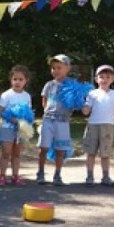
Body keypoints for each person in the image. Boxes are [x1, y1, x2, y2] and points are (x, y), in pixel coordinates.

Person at [81, 65, 114, 187]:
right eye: (101, 77)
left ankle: (105, 177)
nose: (104, 79)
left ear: (113, 79)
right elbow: (86, 111)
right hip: (92, 125)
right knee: (91, 152)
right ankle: (89, 176)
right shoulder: (92, 94)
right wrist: (79, 101)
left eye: (107, 77)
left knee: (105, 153)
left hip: (108, 126)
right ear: (96, 79)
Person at [37, 54, 74, 186]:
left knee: (60, 150)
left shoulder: (71, 86)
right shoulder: (49, 85)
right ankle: (40, 172)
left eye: (59, 67)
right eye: (53, 68)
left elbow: (75, 102)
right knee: (43, 148)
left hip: (63, 121)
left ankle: (57, 174)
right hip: (48, 120)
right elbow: (44, 100)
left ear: (67, 68)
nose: (55, 70)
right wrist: (48, 110)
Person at [0, 65, 32, 185]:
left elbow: (28, 113)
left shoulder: (27, 96)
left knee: (17, 154)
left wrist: (26, 124)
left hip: (20, 130)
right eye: (15, 79)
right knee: (6, 153)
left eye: (21, 79)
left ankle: (15, 176)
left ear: (26, 81)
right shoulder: (6, 95)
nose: (17, 82)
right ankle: (2, 176)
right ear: (11, 80)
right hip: (7, 128)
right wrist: (11, 119)